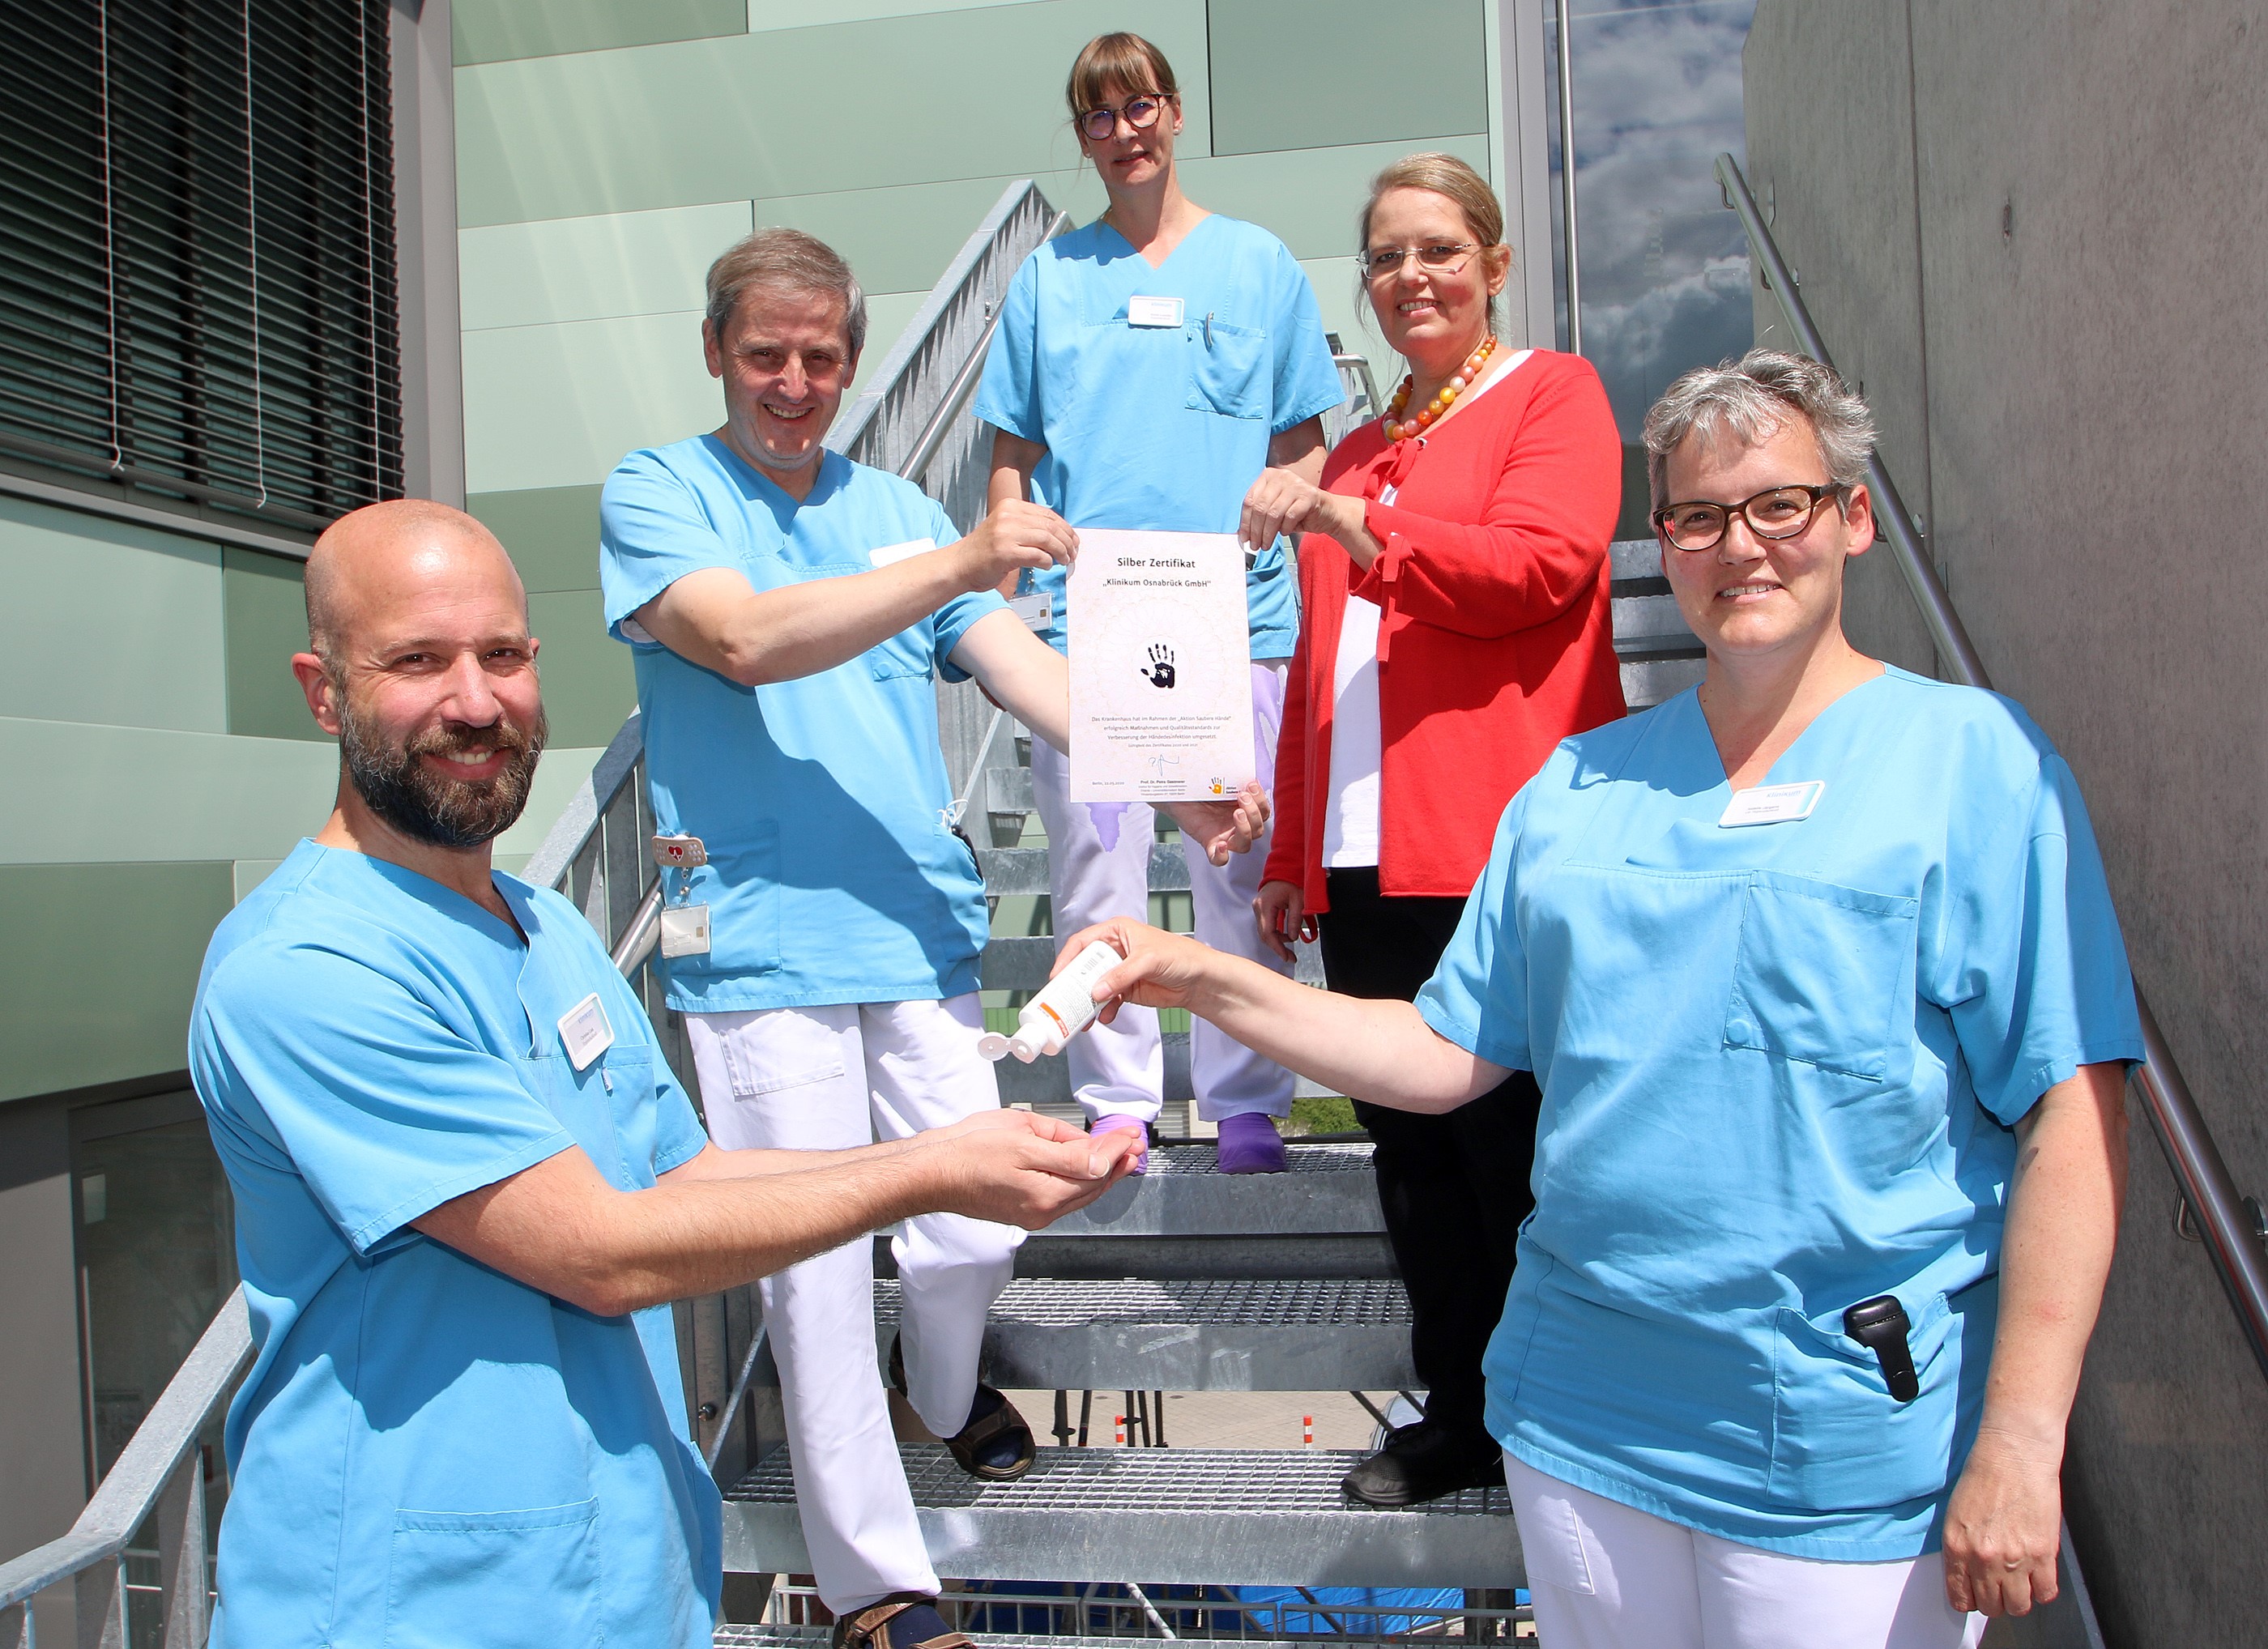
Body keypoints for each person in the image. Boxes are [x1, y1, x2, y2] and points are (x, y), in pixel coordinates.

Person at [1056, 351, 2139, 1648]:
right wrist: (1199, 973)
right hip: (1578, 1422)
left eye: (1780, 504)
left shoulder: (1978, 767)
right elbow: (1442, 1051)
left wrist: (2022, 1435)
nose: (1741, 546)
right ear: (1665, 545)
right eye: (1699, 517)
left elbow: (2072, 1111)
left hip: (1837, 1444)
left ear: (1853, 518)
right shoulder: (1578, 787)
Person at [187, 501, 1138, 1649]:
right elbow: (602, 1252)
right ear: (324, 691)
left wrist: (959, 1155)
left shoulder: (543, 925)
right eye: (417, 662)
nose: (475, 704)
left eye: (501, 656)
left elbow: (682, 1179)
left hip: (624, 1582)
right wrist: (932, 1173)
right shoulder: (307, 968)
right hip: (412, 1605)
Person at [599, 228, 1264, 1649]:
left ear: (850, 361)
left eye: (820, 356)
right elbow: (746, 640)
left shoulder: (895, 507)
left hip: (915, 931)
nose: (793, 383)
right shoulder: (661, 491)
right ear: (716, 352)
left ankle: (942, 1395)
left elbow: (1025, 669)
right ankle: (880, 1590)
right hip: (761, 943)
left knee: (974, 1225)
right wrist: (960, 555)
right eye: (765, 355)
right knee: (817, 1277)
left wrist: (1181, 777)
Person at [1236, 151, 1624, 1507]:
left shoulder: (1551, 395)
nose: (1413, 276)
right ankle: (1463, 1415)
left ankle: (1558, 1424)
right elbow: (1318, 671)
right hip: (1363, 859)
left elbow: (1538, 568)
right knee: (1411, 1159)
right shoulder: (1357, 448)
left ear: (1495, 266)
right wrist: (1291, 854)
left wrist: (1352, 517)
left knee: (1515, 1152)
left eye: (1441, 250)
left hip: (1497, 845)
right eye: (1389, 256)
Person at [973, 31, 1346, 1174]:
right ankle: (1119, 1099)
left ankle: (1247, 1103)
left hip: (1239, 618)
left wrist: (1289, 491)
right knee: (1099, 874)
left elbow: (1307, 445)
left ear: (1176, 114)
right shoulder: (1050, 279)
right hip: (1091, 626)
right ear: (1083, 138)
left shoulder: (1258, 266)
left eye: (1140, 107)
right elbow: (1009, 460)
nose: (1124, 132)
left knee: (1237, 866)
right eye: (1099, 116)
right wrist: (1006, 602)